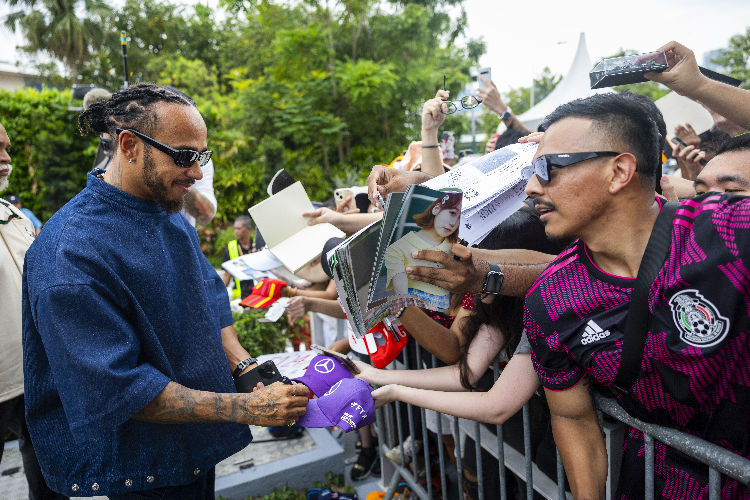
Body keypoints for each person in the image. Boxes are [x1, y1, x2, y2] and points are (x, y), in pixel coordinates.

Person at [22, 84, 309, 498]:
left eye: (201, 157)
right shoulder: (70, 251)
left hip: (191, 447)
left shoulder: (167, 211)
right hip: (138, 469)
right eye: (184, 156)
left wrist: (245, 369)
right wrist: (246, 408)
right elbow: (116, 389)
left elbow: (209, 297)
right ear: (129, 145)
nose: (196, 173)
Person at [522, 91, 749, 499]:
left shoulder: (729, 232)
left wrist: (696, 83)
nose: (532, 187)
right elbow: (573, 418)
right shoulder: (550, 299)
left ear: (619, 171)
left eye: (548, 167)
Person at [0, 123, 66, 500]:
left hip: (35, 377)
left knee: (51, 483)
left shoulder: (14, 215)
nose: (6, 159)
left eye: (7, 149)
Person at [384, 191, 461, 312]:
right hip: (414, 319)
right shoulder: (398, 248)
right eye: (452, 213)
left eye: (460, 218)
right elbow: (403, 300)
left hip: (447, 321)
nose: (453, 223)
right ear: (436, 209)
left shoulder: (456, 248)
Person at [222, 215, 257, 299]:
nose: (235, 231)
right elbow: (227, 275)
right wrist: (219, 295)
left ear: (249, 229)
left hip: (258, 295)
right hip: (239, 298)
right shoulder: (231, 247)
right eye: (235, 228)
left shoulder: (257, 246)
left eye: (238, 228)